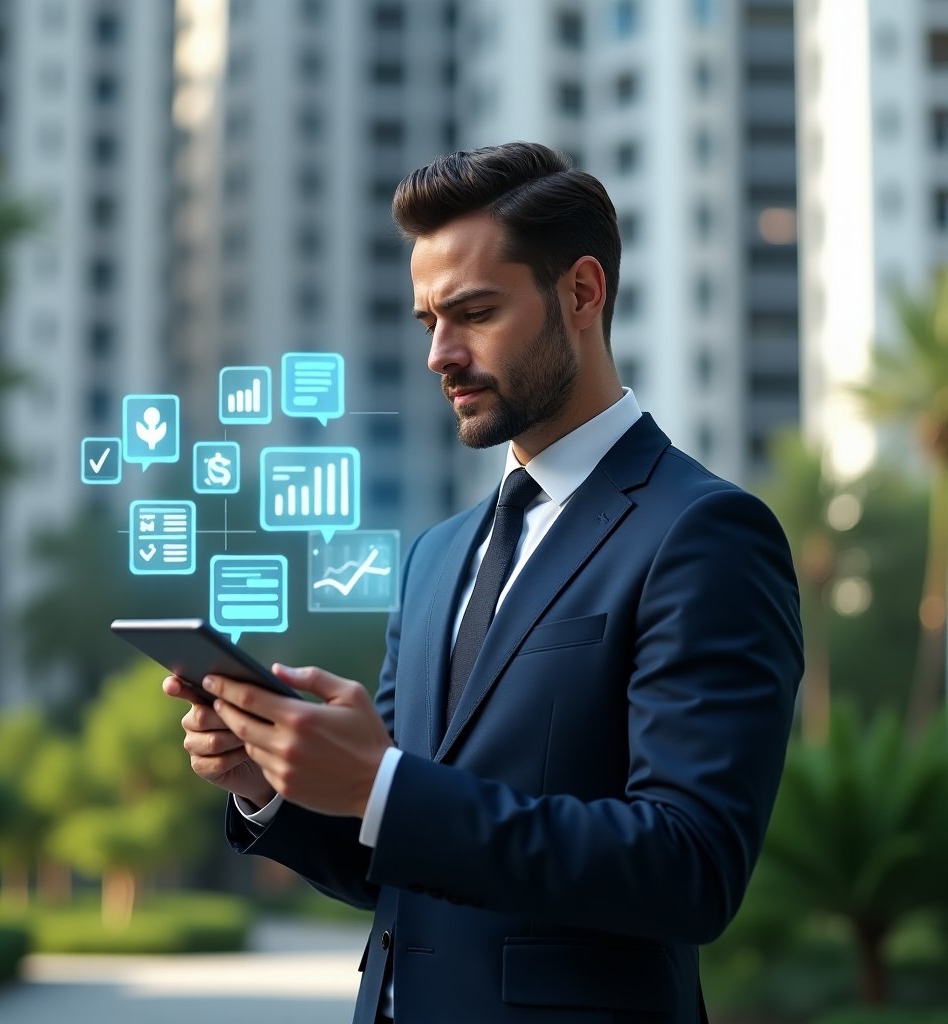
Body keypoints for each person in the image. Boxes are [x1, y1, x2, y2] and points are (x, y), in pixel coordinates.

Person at [164, 141, 803, 1024]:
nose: (439, 353)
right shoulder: (436, 556)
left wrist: (380, 785)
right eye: (428, 320)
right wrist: (274, 782)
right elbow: (397, 861)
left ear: (582, 293)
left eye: (473, 312)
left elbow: (691, 868)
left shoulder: (704, 533)